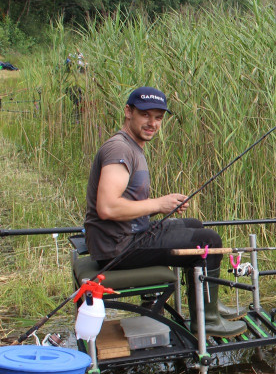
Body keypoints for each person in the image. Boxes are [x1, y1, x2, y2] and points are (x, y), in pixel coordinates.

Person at [84, 86, 246, 337]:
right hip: (118, 247)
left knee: (195, 225)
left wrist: (164, 206)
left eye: (158, 117)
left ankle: (208, 305)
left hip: (126, 235)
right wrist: (159, 204)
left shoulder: (131, 146)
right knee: (209, 241)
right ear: (128, 112)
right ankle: (208, 321)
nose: (152, 123)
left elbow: (127, 204)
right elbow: (107, 207)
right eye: (145, 115)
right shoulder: (120, 149)